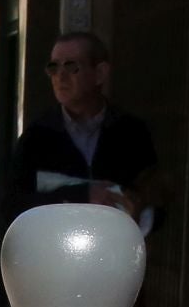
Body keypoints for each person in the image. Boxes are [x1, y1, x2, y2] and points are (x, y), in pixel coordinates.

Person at [10, 31, 160, 224]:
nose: (60, 76)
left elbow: (156, 201)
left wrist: (138, 207)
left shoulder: (131, 133)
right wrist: (81, 195)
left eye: (71, 66)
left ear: (99, 73)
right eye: (53, 67)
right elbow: (13, 206)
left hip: (114, 248)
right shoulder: (37, 137)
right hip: (58, 249)